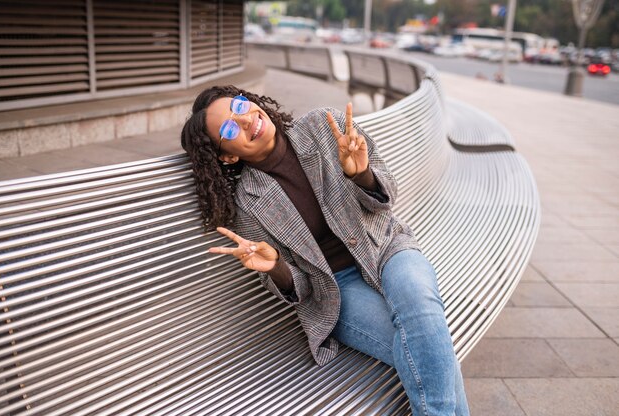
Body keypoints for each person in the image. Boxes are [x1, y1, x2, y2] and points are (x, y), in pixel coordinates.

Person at [180, 85, 470, 415]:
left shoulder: (323, 126)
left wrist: (361, 174)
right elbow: (300, 289)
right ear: (228, 156)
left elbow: (386, 196)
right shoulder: (248, 201)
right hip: (335, 288)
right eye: (230, 128)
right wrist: (276, 266)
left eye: (240, 106)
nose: (246, 120)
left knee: (421, 310)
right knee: (427, 345)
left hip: (386, 247)